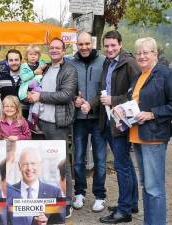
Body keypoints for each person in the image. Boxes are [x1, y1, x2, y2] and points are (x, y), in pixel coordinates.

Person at [119, 37, 172, 225]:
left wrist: (151, 114)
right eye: (138, 53)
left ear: (155, 54)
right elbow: (136, 103)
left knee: (154, 188)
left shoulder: (165, 74)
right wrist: (122, 111)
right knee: (146, 186)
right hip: (136, 136)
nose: (141, 56)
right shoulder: (138, 76)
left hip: (153, 137)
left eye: (146, 52)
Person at [80, 30, 141, 223]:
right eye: (106, 46)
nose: (109, 49)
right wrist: (91, 103)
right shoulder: (108, 62)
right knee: (126, 164)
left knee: (122, 166)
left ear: (120, 44)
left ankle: (123, 211)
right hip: (108, 121)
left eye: (113, 45)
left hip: (122, 122)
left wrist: (113, 100)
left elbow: (138, 94)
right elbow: (102, 91)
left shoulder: (129, 63)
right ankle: (131, 203)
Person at [27, 37, 77, 218]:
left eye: (58, 48)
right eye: (52, 48)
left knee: (62, 164)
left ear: (63, 51)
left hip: (58, 124)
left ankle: (67, 201)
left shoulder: (69, 69)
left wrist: (39, 96)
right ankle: (48, 199)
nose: (54, 50)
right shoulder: (46, 68)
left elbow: (66, 95)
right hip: (39, 124)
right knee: (43, 164)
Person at [70, 31, 109, 213]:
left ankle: (100, 195)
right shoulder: (70, 62)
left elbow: (107, 87)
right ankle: (79, 192)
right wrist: (73, 100)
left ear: (92, 43)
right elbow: (67, 87)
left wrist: (92, 104)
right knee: (78, 159)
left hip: (99, 118)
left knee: (100, 160)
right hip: (78, 119)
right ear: (76, 45)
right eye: (80, 44)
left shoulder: (103, 61)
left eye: (87, 44)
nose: (84, 47)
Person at [7, 148, 64, 225]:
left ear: (40, 165)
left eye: (33, 163)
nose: (29, 168)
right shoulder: (8, 192)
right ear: (19, 166)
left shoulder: (54, 192)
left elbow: (60, 222)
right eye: (25, 164)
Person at [18, 45, 47, 131]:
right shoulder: (24, 66)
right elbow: (23, 77)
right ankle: (33, 118)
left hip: (37, 90)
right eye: (30, 54)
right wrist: (34, 72)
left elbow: (46, 65)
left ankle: (32, 120)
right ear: (27, 56)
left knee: (36, 102)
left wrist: (44, 65)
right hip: (26, 91)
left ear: (38, 56)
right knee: (35, 101)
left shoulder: (41, 64)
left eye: (35, 54)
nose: (33, 56)